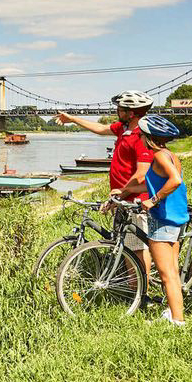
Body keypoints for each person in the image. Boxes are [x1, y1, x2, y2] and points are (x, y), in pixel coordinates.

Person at [57, 90, 155, 275]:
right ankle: (132, 288)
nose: (117, 110)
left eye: (120, 108)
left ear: (131, 113)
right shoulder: (123, 129)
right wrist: (72, 119)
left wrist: (121, 194)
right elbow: (100, 129)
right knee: (125, 245)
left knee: (137, 249)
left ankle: (142, 296)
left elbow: (141, 174)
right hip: (122, 199)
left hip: (135, 201)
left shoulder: (141, 136)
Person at [123, 114, 189, 326]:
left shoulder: (159, 156)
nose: (139, 138)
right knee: (173, 271)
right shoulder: (169, 155)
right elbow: (157, 182)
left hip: (164, 219)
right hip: (174, 218)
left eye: (141, 135)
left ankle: (178, 322)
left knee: (166, 274)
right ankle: (173, 313)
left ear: (148, 137)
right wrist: (127, 191)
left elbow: (175, 181)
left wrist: (153, 200)